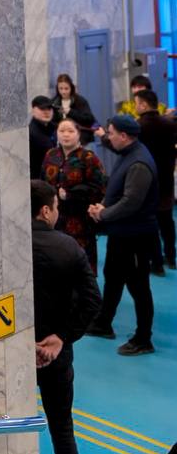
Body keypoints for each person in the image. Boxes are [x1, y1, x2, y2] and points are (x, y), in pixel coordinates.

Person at [31, 179, 101, 454]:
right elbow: (92, 301)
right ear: (46, 210)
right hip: (56, 357)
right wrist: (61, 338)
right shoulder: (68, 248)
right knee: (62, 432)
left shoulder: (5, 246)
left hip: (12, 356)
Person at [87, 114, 159, 354]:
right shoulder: (128, 153)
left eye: (110, 133)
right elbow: (120, 193)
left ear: (124, 136)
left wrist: (103, 214)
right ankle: (103, 323)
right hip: (121, 233)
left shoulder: (139, 164)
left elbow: (131, 203)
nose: (108, 137)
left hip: (135, 237)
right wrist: (103, 207)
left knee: (139, 287)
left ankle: (143, 339)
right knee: (113, 277)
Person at [42, 118, 107, 274]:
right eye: (62, 131)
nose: (66, 135)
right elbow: (42, 182)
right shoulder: (51, 155)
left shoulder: (88, 158)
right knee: (56, 264)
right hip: (54, 220)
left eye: (70, 131)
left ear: (78, 134)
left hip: (80, 220)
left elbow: (100, 189)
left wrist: (71, 195)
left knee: (80, 264)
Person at [134, 88, 177, 273]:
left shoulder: (138, 126)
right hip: (166, 178)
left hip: (147, 180)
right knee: (167, 221)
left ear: (143, 105)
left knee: (150, 222)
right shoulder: (170, 124)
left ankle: (157, 263)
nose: (135, 107)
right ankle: (171, 257)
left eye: (136, 103)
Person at [52, 74, 96, 145]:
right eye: (61, 88)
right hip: (61, 138)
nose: (63, 92)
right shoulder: (54, 102)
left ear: (71, 88)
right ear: (57, 89)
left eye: (66, 88)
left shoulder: (80, 101)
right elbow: (52, 122)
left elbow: (89, 120)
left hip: (81, 137)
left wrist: (70, 112)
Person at [29, 95, 56, 176]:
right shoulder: (31, 133)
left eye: (49, 108)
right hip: (38, 178)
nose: (46, 112)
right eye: (42, 109)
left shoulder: (56, 128)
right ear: (33, 110)